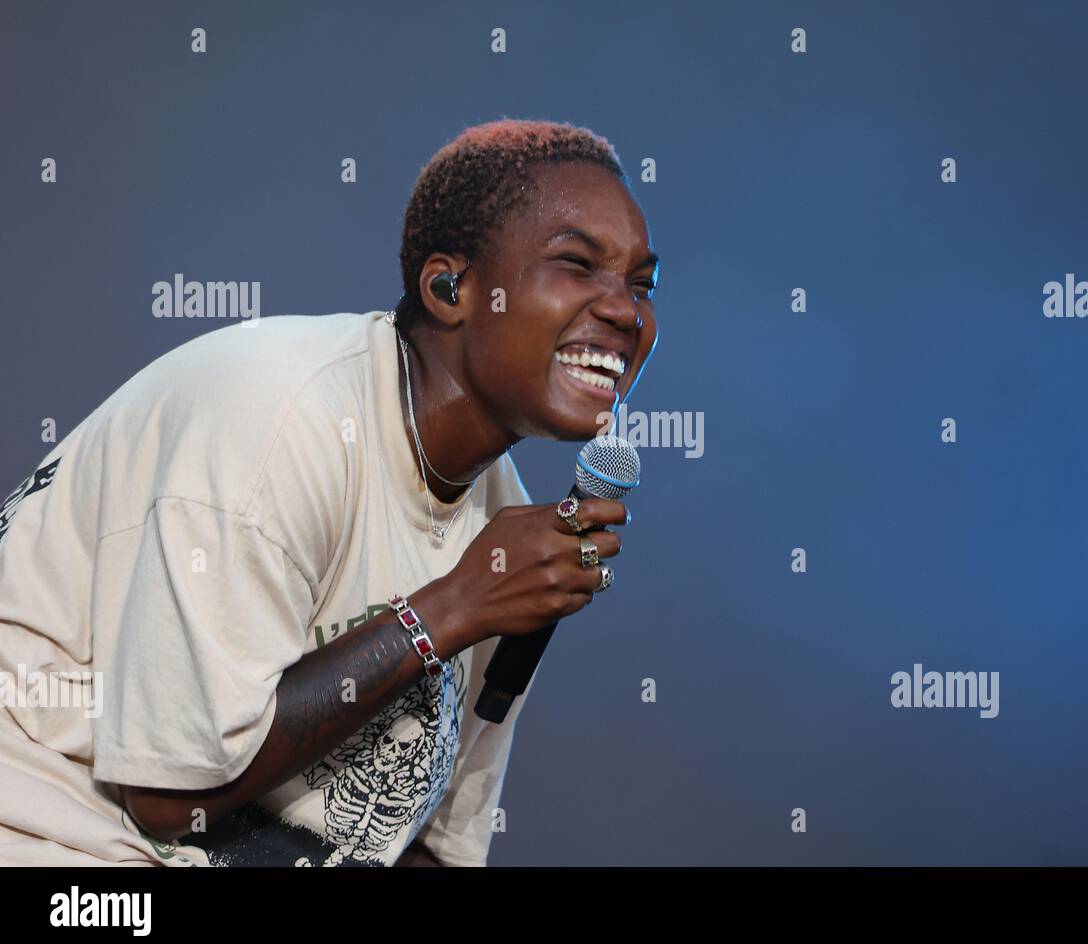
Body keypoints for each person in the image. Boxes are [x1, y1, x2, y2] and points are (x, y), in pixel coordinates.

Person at [0, 118, 660, 866]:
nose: (625, 312)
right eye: (577, 265)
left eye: (643, 284)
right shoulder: (277, 414)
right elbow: (171, 798)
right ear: (451, 288)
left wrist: (481, 598)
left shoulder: (508, 533)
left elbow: (427, 847)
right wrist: (456, 605)